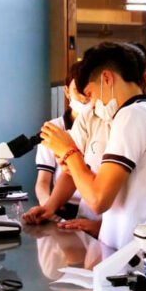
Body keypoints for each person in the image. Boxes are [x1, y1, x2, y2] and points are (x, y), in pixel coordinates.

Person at [39, 42, 146, 250]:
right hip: (129, 248)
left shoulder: (133, 115)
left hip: (132, 256)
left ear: (107, 78)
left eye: (92, 94)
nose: (93, 104)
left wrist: (70, 152)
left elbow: (98, 200)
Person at [34, 62, 90, 218]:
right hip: (63, 204)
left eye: (88, 92)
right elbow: (44, 181)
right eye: (77, 91)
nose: (84, 98)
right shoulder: (53, 129)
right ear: (67, 91)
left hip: (93, 206)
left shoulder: (104, 124)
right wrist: (48, 205)